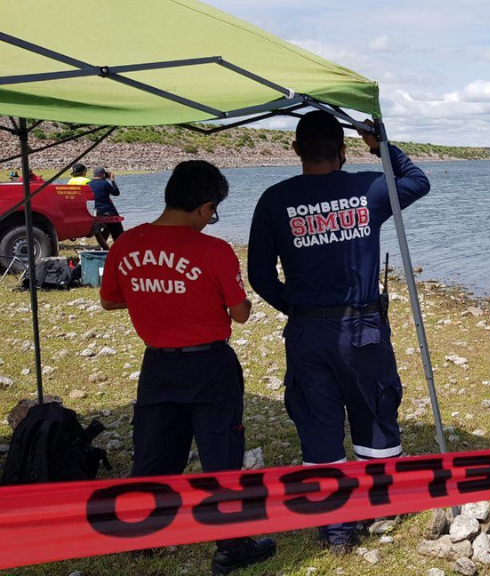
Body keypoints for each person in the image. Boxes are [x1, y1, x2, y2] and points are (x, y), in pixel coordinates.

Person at [248, 111, 429, 554]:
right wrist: (379, 143)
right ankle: (380, 501)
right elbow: (418, 180)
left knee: (318, 418)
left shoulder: (275, 200)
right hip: (362, 325)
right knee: (374, 405)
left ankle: (335, 525)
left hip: (308, 329)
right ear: (342, 150)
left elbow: (260, 275)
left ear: (296, 150)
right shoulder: (366, 187)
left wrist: (296, 307)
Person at [99, 160, 276, 575]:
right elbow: (240, 313)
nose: (212, 220)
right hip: (209, 364)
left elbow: (110, 299)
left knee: (155, 451)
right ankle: (231, 546)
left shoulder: (127, 244)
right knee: (221, 452)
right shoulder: (213, 249)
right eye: (213, 213)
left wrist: (156, 298)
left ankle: (143, 531)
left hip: (157, 363)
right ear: (204, 207)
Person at [89, 166, 124, 242]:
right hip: (108, 213)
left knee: (107, 227)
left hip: (95, 213)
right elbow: (116, 193)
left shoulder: (88, 184)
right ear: (103, 175)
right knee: (118, 231)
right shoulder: (105, 183)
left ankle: (102, 245)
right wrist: (112, 180)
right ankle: (120, 245)